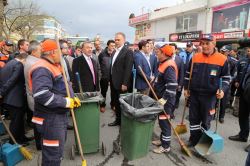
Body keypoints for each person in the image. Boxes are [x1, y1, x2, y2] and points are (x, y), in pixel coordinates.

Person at [29, 39, 80, 165]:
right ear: (52, 52)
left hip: (56, 117)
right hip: (50, 119)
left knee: (57, 152)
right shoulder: (42, 68)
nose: (63, 54)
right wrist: (66, 102)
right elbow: (41, 95)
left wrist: (72, 98)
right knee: (53, 155)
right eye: (60, 52)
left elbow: (59, 87)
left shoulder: (52, 65)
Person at [184, 34, 230, 147]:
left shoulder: (222, 59)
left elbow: (226, 78)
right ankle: (193, 139)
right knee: (193, 119)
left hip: (209, 97)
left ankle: (203, 142)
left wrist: (222, 90)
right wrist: (186, 88)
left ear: (214, 44)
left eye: (207, 43)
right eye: (202, 43)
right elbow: (188, 75)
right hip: (194, 94)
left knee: (206, 120)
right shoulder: (195, 57)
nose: (204, 46)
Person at [0, 53, 33, 146]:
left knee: (19, 120)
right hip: (14, 99)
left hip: (10, 98)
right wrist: (1, 92)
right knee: (16, 121)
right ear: (24, 60)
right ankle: (14, 142)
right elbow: (12, 80)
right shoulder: (18, 65)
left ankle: (21, 137)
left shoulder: (10, 63)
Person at [152, 44, 178, 153]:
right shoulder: (163, 63)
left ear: (164, 54)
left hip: (166, 101)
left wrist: (163, 100)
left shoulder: (169, 66)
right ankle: (162, 140)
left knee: (165, 122)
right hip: (161, 98)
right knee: (162, 121)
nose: (156, 53)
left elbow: (172, 86)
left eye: (159, 52)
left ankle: (166, 146)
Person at [108, 32, 133, 126]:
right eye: (115, 39)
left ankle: (124, 122)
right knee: (116, 103)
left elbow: (128, 68)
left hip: (122, 83)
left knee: (123, 103)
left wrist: (125, 83)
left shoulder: (128, 51)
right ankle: (118, 120)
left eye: (118, 40)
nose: (116, 41)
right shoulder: (114, 51)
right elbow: (113, 67)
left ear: (124, 40)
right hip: (114, 82)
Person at [229, 47, 250, 152]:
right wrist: (238, 81)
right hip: (244, 92)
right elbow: (240, 73)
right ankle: (243, 135)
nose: (249, 52)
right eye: (249, 50)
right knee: (242, 115)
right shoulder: (245, 61)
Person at [24, 40, 42, 150]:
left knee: (37, 121)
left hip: (33, 96)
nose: (42, 51)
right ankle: (39, 144)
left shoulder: (31, 60)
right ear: (34, 51)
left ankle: (39, 143)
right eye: (40, 50)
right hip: (35, 97)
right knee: (38, 122)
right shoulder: (34, 63)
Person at [219, 45, 238, 123]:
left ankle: (221, 116)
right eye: (222, 51)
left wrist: (228, 80)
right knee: (214, 100)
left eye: (225, 51)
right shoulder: (218, 58)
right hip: (216, 82)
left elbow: (234, 74)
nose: (223, 52)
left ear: (229, 52)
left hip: (226, 83)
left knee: (223, 101)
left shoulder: (233, 61)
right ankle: (212, 114)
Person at [98, 40, 115, 112]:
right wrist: (101, 75)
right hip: (104, 76)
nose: (113, 47)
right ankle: (102, 105)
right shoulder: (102, 54)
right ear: (108, 46)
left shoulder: (115, 53)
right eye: (111, 46)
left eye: (114, 46)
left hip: (113, 76)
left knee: (113, 91)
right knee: (103, 92)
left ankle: (113, 104)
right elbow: (98, 66)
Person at [169, 43, 184, 109]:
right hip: (166, 83)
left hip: (176, 83)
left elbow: (182, 73)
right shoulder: (165, 58)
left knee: (174, 98)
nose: (171, 50)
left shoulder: (179, 60)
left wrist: (180, 84)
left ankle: (171, 112)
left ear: (176, 50)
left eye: (172, 48)